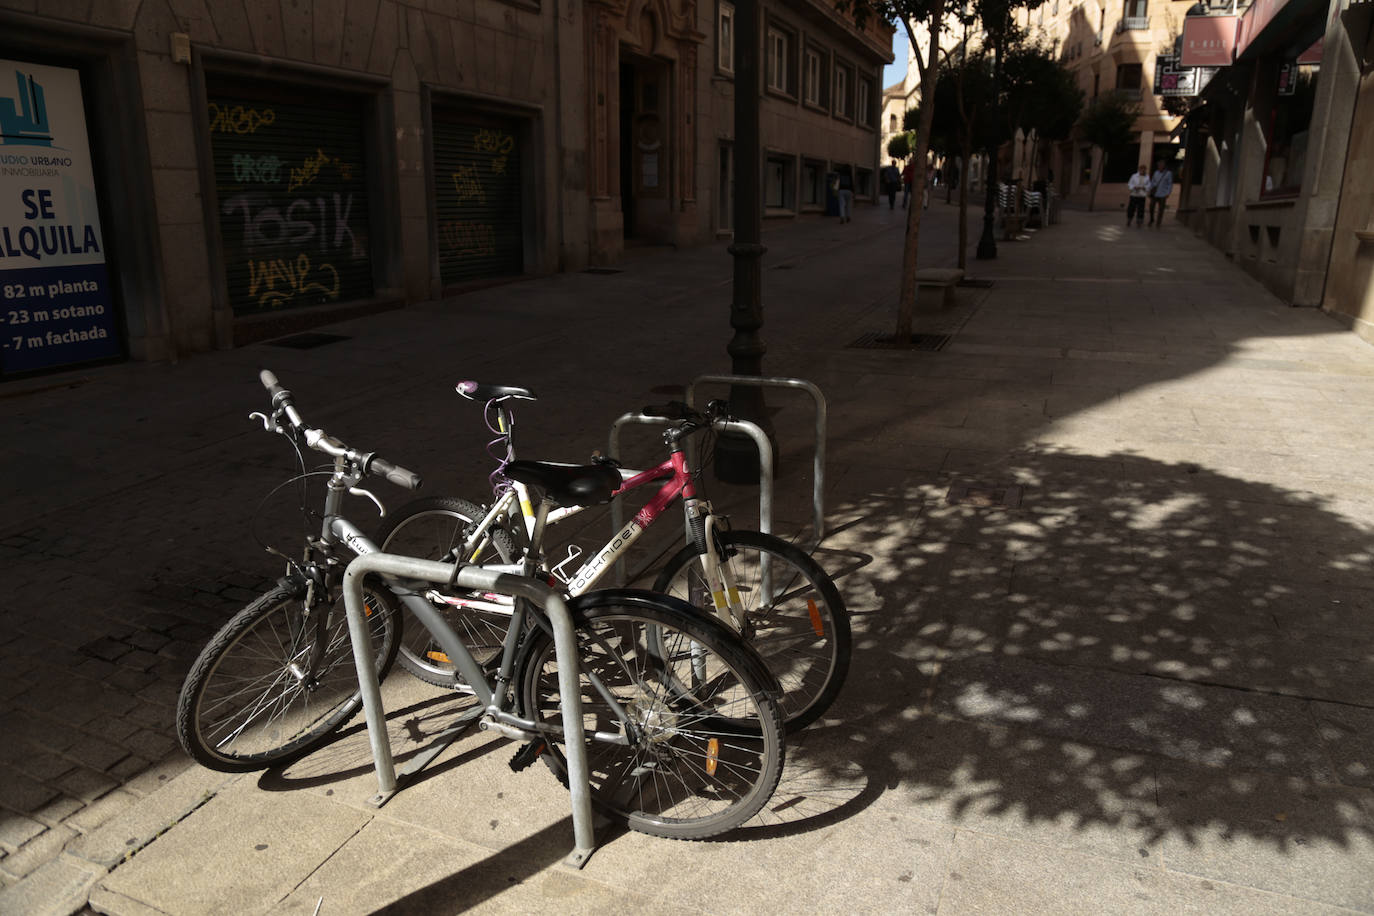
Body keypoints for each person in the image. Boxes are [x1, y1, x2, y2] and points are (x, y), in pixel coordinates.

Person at [1148, 160, 1173, 227]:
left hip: (1163, 193)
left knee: (1161, 209)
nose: (1160, 166)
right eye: (1159, 165)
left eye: (1161, 165)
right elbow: (1152, 182)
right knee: (1151, 206)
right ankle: (1151, 219)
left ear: (1164, 166)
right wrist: (1150, 189)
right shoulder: (1156, 173)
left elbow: (1170, 184)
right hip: (1155, 193)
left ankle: (1158, 222)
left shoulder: (1168, 173)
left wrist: (1168, 192)